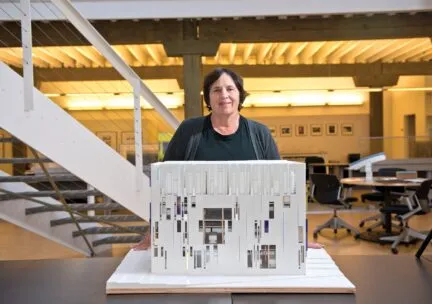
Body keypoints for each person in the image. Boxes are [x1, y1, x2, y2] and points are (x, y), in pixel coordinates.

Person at [133, 67, 322, 249]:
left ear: (239, 94)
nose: (224, 95)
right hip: (197, 232)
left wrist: (294, 236)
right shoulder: (189, 131)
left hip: (251, 231)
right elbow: (165, 182)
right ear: (208, 98)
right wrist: (154, 231)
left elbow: (280, 188)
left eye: (230, 88)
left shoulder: (259, 133)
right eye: (216, 90)